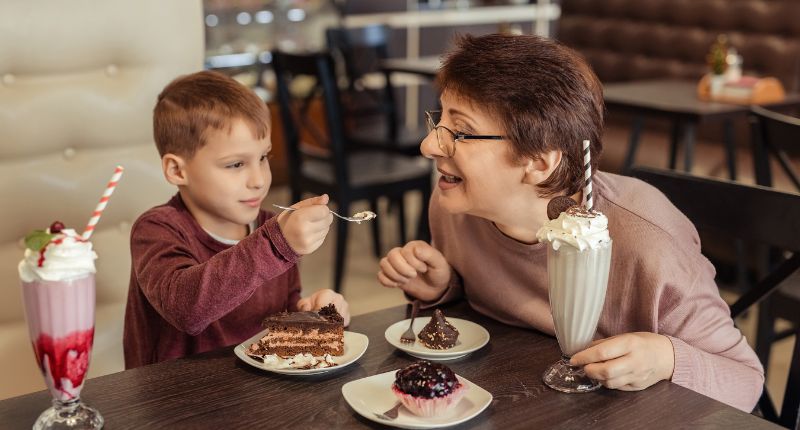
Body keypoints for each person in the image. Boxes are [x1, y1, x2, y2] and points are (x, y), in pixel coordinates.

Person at [377, 34, 763, 411]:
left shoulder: (647, 242)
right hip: (523, 401)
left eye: (462, 131)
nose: (429, 145)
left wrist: (667, 358)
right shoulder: (454, 205)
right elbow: (494, 296)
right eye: (439, 120)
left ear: (540, 163)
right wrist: (445, 287)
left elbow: (746, 380)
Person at [124, 71, 350, 368]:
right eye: (235, 164)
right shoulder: (157, 230)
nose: (258, 180)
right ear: (177, 171)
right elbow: (186, 309)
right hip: (175, 406)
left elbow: (278, 317)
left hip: (256, 398)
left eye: (263, 158)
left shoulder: (271, 231)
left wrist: (313, 312)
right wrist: (276, 244)